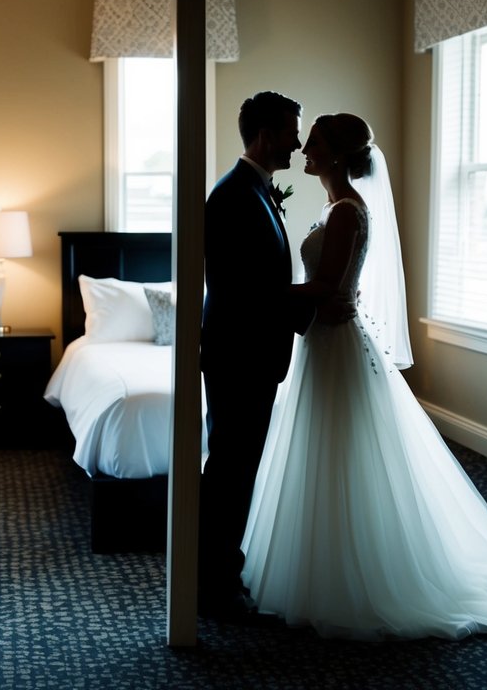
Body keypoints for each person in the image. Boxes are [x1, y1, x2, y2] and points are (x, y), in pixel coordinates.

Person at [241, 113, 487, 640]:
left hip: (337, 345)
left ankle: (362, 576)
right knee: (325, 450)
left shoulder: (349, 211)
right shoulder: (335, 206)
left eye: (313, 144)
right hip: (320, 343)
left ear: (333, 155)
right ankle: (325, 558)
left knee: (343, 452)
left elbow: (328, 286)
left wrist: (260, 291)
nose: (303, 150)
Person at [198, 91, 329, 620]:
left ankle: (220, 569)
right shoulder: (232, 197)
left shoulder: (256, 191)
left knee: (237, 465)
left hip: (252, 354)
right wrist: (314, 299)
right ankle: (211, 583)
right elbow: (241, 292)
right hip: (239, 356)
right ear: (266, 134)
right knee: (230, 466)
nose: (298, 143)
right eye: (291, 132)